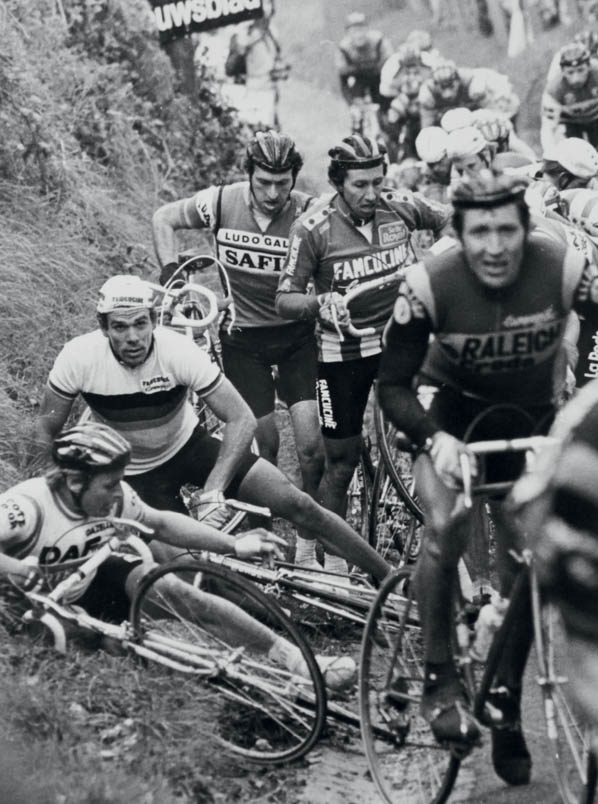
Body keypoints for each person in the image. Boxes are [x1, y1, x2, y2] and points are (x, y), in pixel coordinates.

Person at [377, 169, 598, 786]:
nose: (495, 247)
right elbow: (391, 385)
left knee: (536, 554)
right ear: (459, 234)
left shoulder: (564, 267)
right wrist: (432, 438)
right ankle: (439, 680)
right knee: (446, 526)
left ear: (526, 228)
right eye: (480, 233)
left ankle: (502, 698)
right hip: (450, 421)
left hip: (532, 422)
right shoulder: (428, 284)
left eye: (507, 230)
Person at [35, 275, 389, 582]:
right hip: (134, 472)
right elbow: (46, 427)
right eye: (119, 326)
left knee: (299, 504)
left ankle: (391, 579)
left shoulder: (177, 350)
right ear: (103, 327)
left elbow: (241, 418)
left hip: (189, 446)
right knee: (187, 570)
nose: (132, 337)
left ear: (154, 320)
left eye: (140, 324)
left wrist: (213, 489)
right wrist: (55, 491)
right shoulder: (78, 357)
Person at [1, 421, 356, 690]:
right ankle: (245, 689)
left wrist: (232, 544)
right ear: (74, 481)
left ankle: (297, 661)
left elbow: (162, 524)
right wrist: (13, 567)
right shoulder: (27, 507)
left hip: (88, 578)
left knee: (178, 592)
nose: (117, 493)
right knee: (97, 645)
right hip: (27, 600)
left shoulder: (113, 496)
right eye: (109, 485)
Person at [275, 135, 450, 575]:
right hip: (342, 353)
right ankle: (324, 563)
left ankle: (439, 541)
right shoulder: (312, 228)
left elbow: (452, 222)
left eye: (377, 181)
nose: (371, 194)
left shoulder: (402, 206)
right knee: (341, 461)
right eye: (359, 185)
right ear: (338, 183)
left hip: (400, 343)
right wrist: (319, 303)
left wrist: (442, 265)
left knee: (431, 442)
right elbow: (285, 299)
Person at [152, 130, 325, 567]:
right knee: (263, 440)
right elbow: (164, 218)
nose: (271, 193)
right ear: (248, 174)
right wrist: (174, 279)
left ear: (294, 180)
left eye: (282, 183)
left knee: (309, 445)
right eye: (263, 181)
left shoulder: (308, 209)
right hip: (244, 338)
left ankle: (307, 538)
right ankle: (262, 534)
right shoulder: (222, 201)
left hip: (296, 338)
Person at [541, 42, 598, 152]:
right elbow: (548, 128)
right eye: (570, 72)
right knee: (575, 154)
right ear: (562, 71)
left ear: (589, 66)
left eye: (581, 70)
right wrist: (550, 154)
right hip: (571, 121)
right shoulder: (554, 88)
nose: (576, 78)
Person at [336, 12, 392, 107]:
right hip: (359, 78)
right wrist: (351, 103)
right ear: (347, 34)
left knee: (386, 102)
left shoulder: (378, 40)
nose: (359, 35)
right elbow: (343, 79)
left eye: (361, 30)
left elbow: (390, 62)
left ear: (367, 29)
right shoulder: (344, 49)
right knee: (357, 105)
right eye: (354, 31)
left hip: (379, 75)